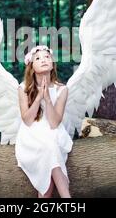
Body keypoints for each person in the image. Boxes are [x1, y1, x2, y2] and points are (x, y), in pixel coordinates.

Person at [15, 45, 73, 198]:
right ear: (32, 67)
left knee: (50, 146)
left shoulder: (62, 89)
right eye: (38, 58)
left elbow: (54, 123)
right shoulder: (23, 88)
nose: (44, 60)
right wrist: (39, 97)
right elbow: (27, 120)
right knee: (49, 147)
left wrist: (47, 99)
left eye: (47, 57)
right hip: (31, 134)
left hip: (54, 132)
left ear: (52, 64)